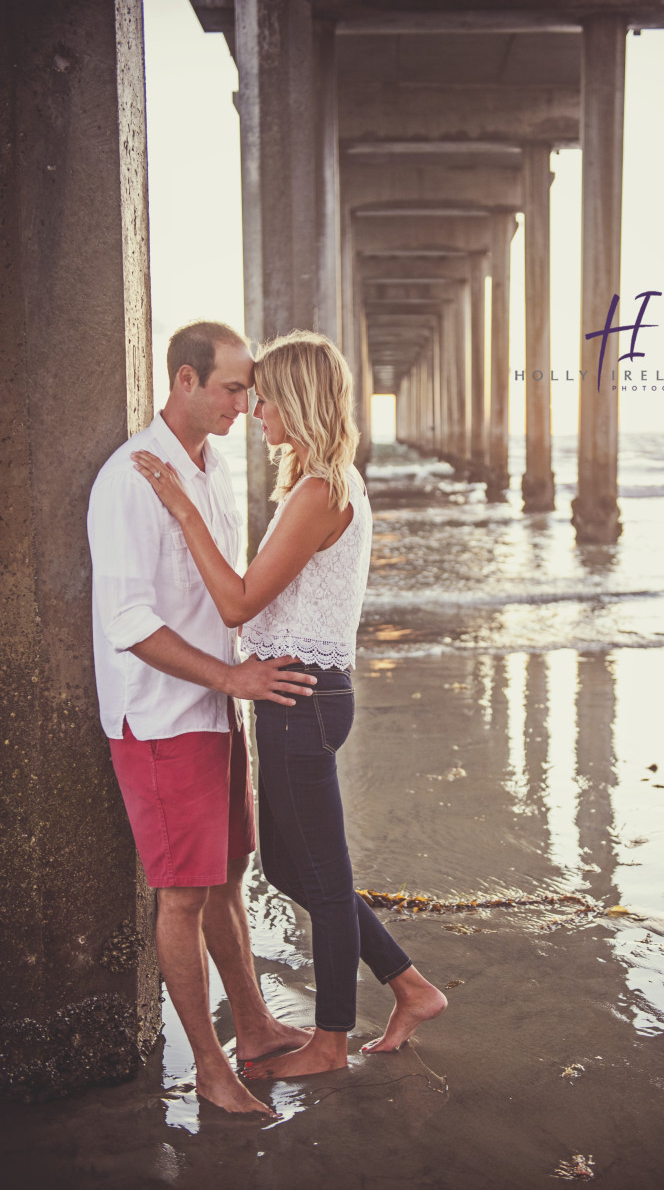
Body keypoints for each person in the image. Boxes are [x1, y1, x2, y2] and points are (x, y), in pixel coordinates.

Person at [131, 329, 447, 1080]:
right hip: (297, 697)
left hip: (298, 698)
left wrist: (183, 510)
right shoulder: (319, 481)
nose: (255, 411)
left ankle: (331, 1043)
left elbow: (238, 603)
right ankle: (410, 986)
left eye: (264, 397)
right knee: (285, 869)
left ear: (298, 401)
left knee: (325, 881)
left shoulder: (318, 492)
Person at [88, 321, 318, 1116]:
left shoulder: (212, 467)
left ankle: (252, 1025)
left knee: (226, 872)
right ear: (184, 381)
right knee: (182, 893)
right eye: (230, 387)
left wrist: (237, 680)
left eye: (247, 390)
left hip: (216, 707)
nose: (243, 403)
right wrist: (230, 675)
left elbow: (224, 590)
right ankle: (212, 1068)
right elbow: (127, 619)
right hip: (160, 718)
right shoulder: (129, 479)